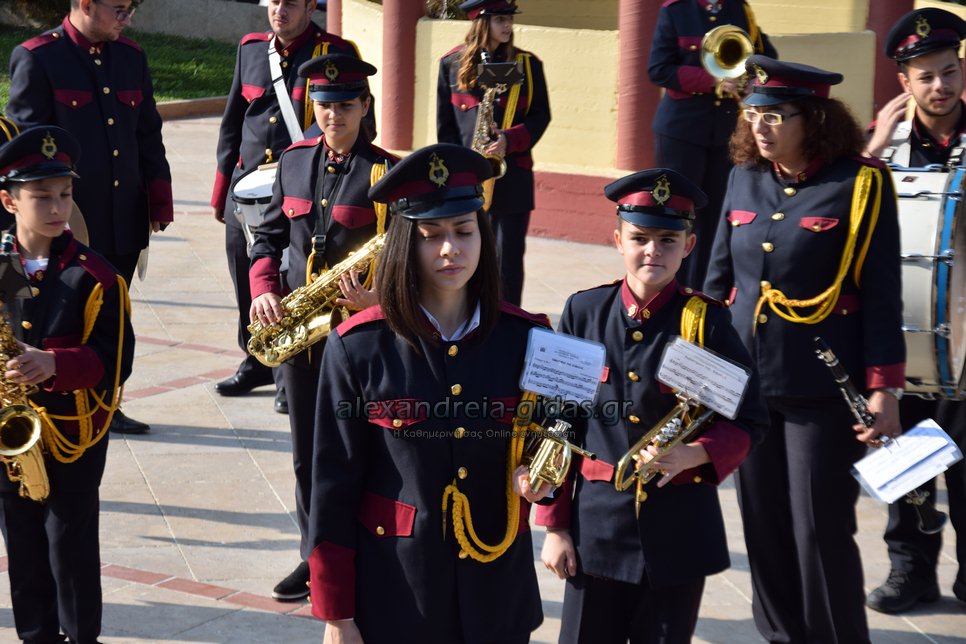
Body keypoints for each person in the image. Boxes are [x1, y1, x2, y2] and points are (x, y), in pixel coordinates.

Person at [305, 142, 548, 643]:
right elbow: (331, 487)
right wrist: (337, 613)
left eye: (464, 231)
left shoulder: (529, 338)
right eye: (430, 235)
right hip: (397, 594)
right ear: (403, 243)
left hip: (498, 591)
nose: (449, 249)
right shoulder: (359, 347)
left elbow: (559, 430)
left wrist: (546, 474)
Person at [704, 56, 905, 643]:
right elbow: (718, 279)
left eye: (776, 115)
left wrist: (884, 387)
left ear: (813, 118)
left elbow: (882, 294)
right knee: (762, 525)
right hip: (748, 380)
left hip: (822, 384)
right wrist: (699, 365)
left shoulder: (860, 184)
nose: (761, 126)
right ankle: (782, 636)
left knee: (819, 526)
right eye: (754, 114)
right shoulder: (744, 176)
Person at [535, 169, 768, 643]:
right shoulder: (583, 311)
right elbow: (559, 423)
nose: (652, 251)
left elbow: (749, 419)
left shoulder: (705, 322)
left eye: (668, 240)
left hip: (678, 534)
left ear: (689, 245)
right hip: (596, 530)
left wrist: (695, 453)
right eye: (639, 238)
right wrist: (555, 526)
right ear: (617, 240)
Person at [248, 53, 397, 602]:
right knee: (307, 455)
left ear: (365, 106)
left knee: (365, 450)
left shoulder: (385, 173)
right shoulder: (292, 161)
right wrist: (264, 289)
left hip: (360, 335)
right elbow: (266, 238)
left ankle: (366, 553)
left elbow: (405, 255)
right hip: (300, 335)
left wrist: (380, 298)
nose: (333, 115)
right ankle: (316, 557)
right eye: (324, 104)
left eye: (345, 105)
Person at [6, 0, 172, 435]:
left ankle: (103, 404)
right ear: (85, 4)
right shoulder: (39, 57)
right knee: (52, 319)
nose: (127, 17)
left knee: (110, 319)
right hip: (64, 224)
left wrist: (159, 199)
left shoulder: (131, 56)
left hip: (123, 218)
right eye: (119, 8)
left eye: (130, 8)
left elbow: (147, 131)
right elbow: (24, 155)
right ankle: (41, 403)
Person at [0, 126, 135, 644]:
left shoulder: (93, 276)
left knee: (70, 544)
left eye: (65, 193)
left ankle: (81, 637)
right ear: (9, 201)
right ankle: (35, 635)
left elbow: (115, 362)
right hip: (11, 434)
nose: (58, 208)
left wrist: (54, 364)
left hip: (71, 436)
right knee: (22, 544)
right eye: (42, 197)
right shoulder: (3, 265)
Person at [863, 7, 966, 614]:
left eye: (949, 71)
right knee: (909, 463)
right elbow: (838, 215)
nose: (940, 86)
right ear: (904, 82)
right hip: (901, 338)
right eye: (925, 76)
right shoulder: (882, 149)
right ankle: (911, 572)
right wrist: (872, 150)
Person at [211, 0, 362, 413]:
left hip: (300, 189)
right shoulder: (251, 48)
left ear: (311, 6)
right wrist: (223, 189)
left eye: (291, 3)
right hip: (247, 190)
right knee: (247, 276)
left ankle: (286, 369)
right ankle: (255, 358)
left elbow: (344, 125)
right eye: (275, 1)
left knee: (289, 279)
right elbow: (234, 120)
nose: (280, 9)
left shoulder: (334, 52)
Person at [649, 0, 776, 290]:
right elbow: (659, 69)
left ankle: (705, 291)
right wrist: (712, 80)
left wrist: (752, 80)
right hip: (682, 129)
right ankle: (670, 289)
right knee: (677, 212)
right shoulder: (675, 10)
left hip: (726, 131)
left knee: (718, 215)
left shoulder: (740, 10)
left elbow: (766, 56)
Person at [437, 0, 551, 306]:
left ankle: (508, 318)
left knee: (508, 259)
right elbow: (446, 130)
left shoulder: (529, 65)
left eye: (509, 19)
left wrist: (509, 141)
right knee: (465, 254)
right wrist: (453, 177)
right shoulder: (451, 63)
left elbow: (541, 116)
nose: (508, 26)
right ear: (480, 22)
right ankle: (467, 313)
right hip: (468, 180)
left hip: (512, 177)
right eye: (500, 19)